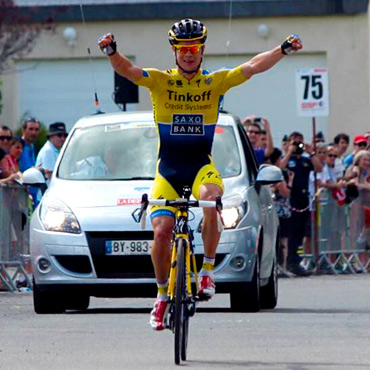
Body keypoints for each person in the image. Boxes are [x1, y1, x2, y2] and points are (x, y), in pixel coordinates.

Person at [98, 19, 302, 330]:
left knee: (209, 200)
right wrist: (112, 50)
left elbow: (252, 67)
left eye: (194, 49)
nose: (189, 55)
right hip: (167, 168)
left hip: (200, 166)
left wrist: (283, 49)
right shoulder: (161, 82)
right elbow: (128, 70)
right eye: (183, 49)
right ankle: (162, 294)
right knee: (162, 231)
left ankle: (206, 270)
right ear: (175, 52)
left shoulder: (215, 82)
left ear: (202, 51)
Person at [279, 131, 322, 276]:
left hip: (304, 198)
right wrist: (289, 151)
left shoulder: (305, 159)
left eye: (300, 141)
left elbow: (318, 168)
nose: (298, 144)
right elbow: (281, 167)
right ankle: (289, 261)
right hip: (291, 198)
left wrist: (312, 153)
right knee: (291, 231)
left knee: (301, 232)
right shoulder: (287, 158)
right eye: (295, 141)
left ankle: (296, 261)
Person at [268, 148, 294, 276]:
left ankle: (280, 266)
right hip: (281, 211)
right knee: (283, 241)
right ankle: (281, 267)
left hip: (273, 211)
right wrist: (290, 181)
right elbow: (286, 192)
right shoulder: (277, 174)